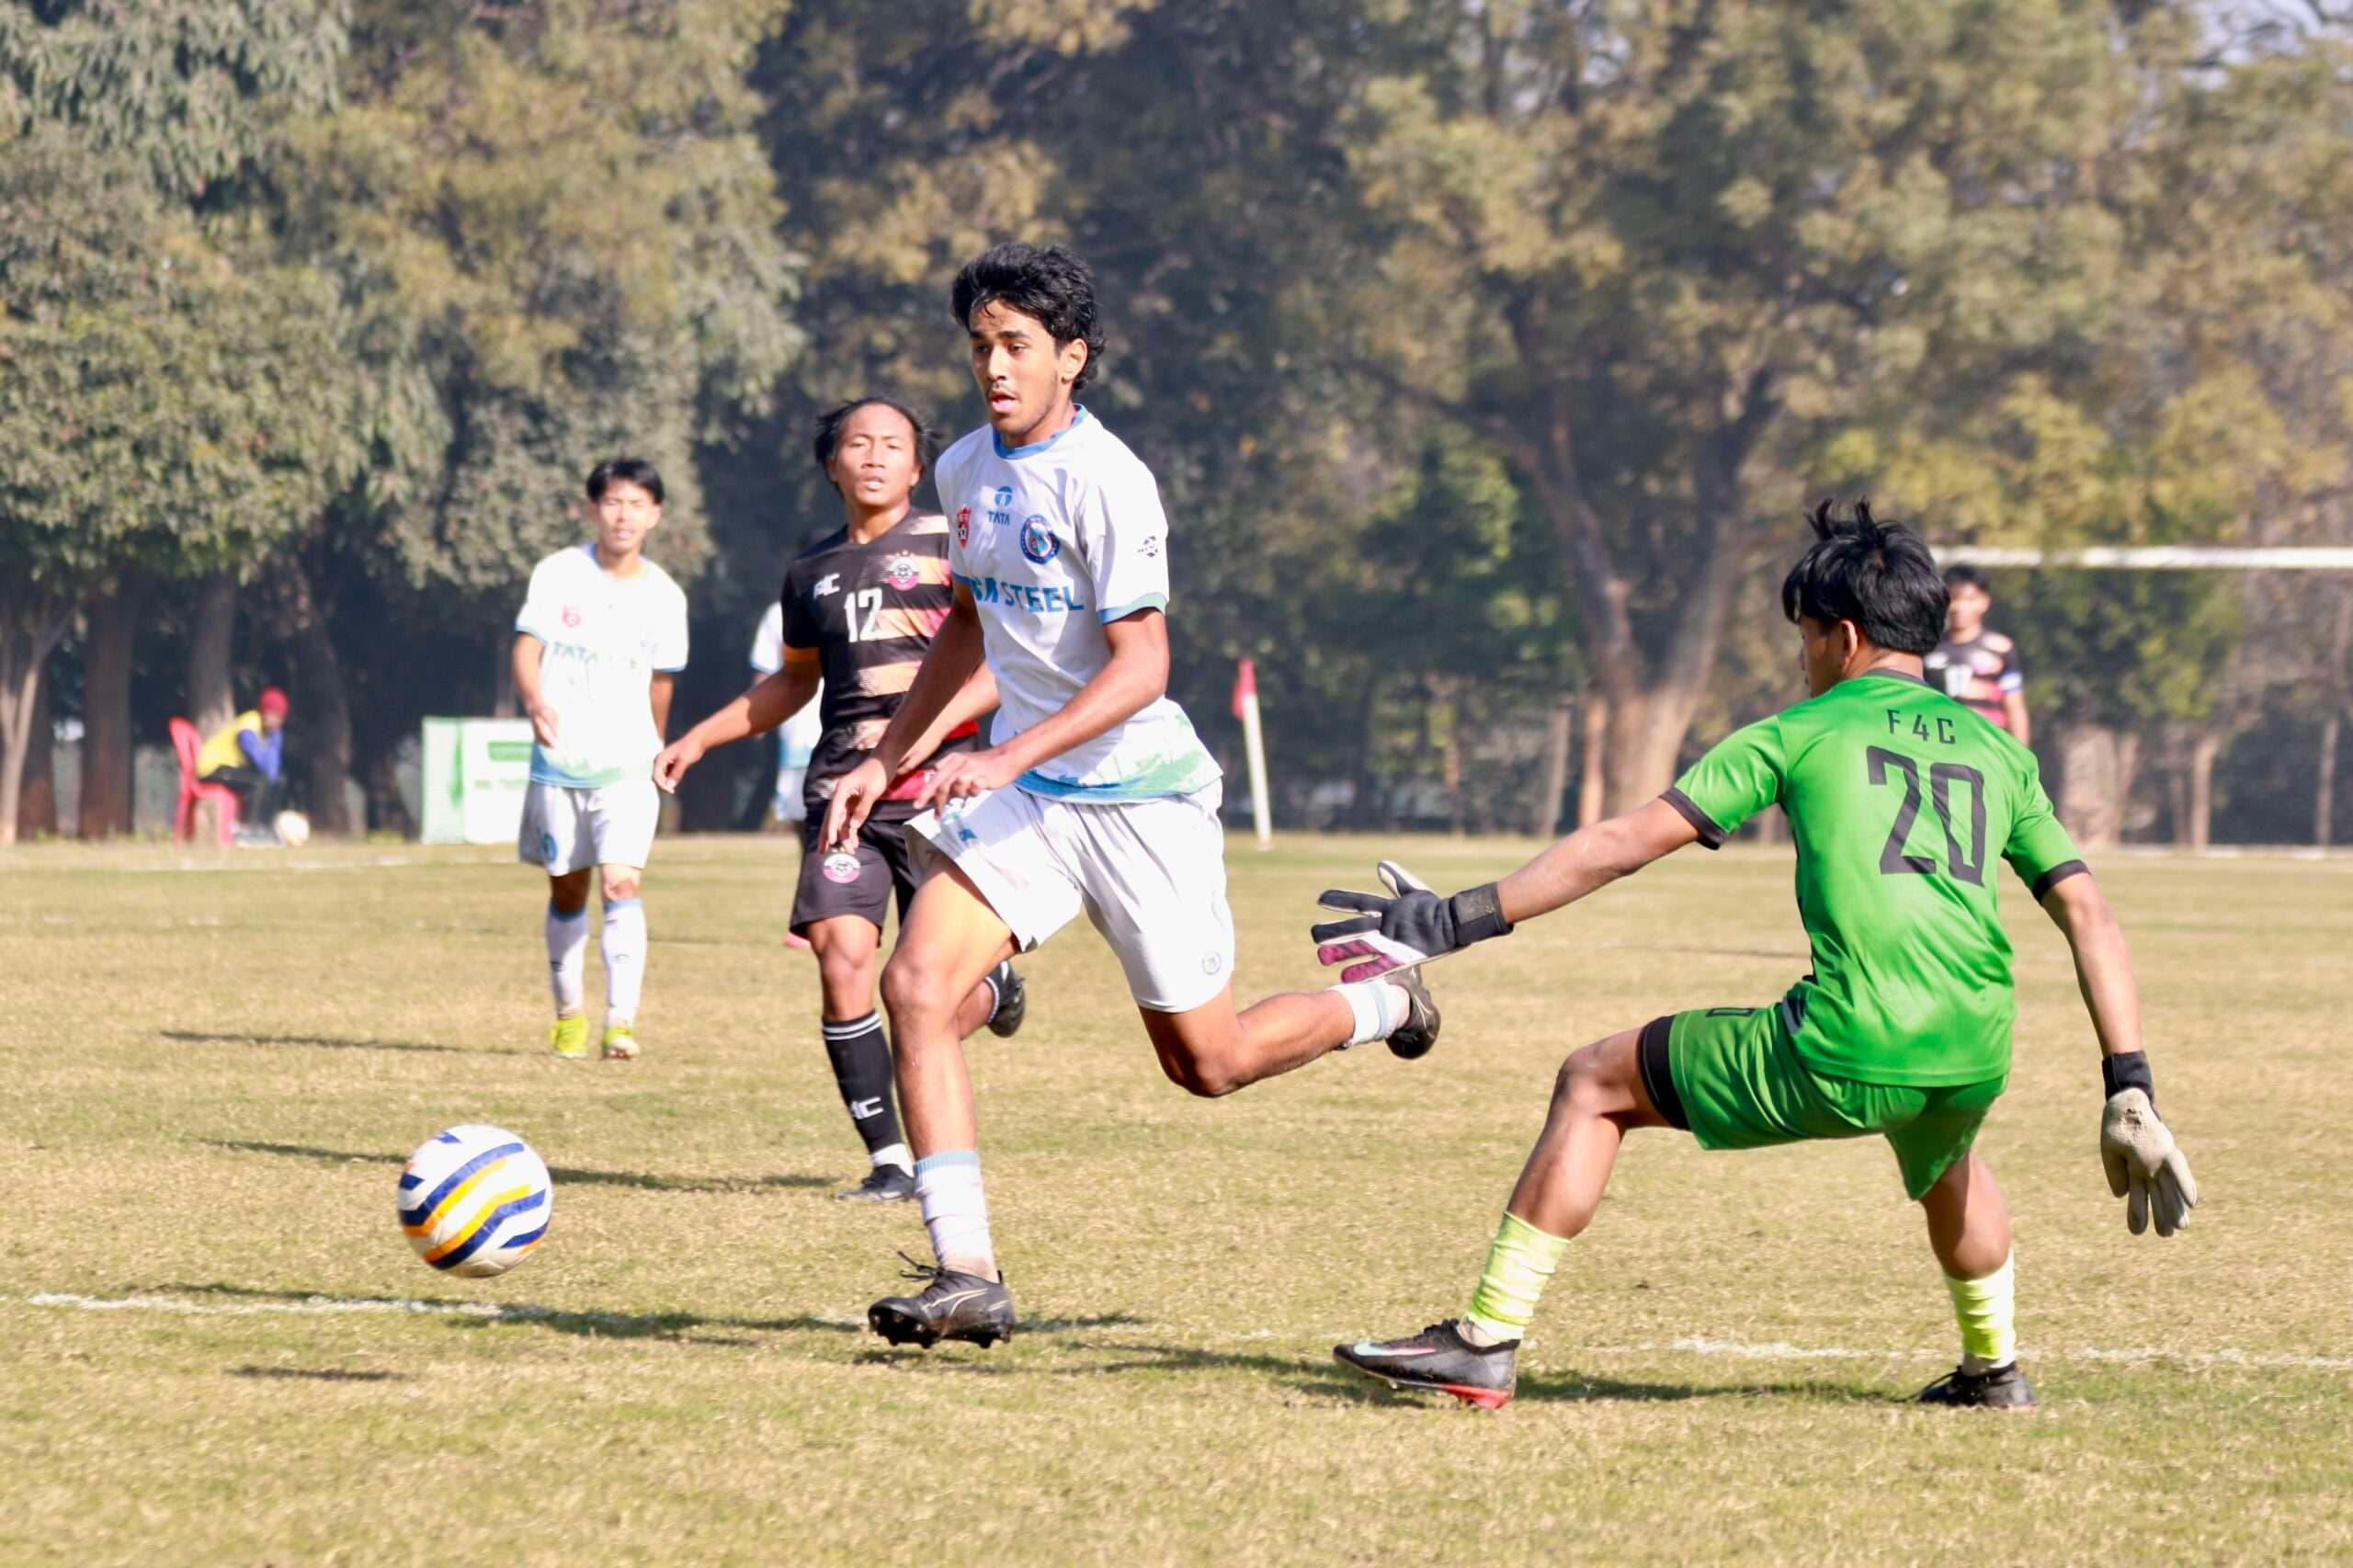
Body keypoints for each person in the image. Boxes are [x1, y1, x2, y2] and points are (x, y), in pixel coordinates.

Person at [1324, 502, 2196, 1412]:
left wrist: (1457, 916)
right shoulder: (1999, 751)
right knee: (1948, 1164)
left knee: (1592, 1081)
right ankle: (1994, 1370)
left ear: (1844, 636)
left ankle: (1483, 1338)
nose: (1802, 657)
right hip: (1974, 1045)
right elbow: (2086, 910)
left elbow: (1625, 840)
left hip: (1850, 1041)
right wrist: (2126, 1081)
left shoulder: (1800, 730)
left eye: (1806, 636)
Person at [822, 242, 1440, 1349]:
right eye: (979, 346)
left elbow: (1140, 666)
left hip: (1139, 801)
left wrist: (1002, 757)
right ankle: (965, 1270)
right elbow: (968, 623)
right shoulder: (964, 469)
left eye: (1015, 345)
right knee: (914, 982)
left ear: (1072, 355)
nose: (993, 367)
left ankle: (1387, 1001)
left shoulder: (1109, 480)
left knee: (1208, 1063)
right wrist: (889, 751)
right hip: (1032, 796)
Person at [657, 397, 1029, 1201]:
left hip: (945, 789)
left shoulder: (951, 547)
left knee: (925, 997)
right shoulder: (809, 573)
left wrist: (928, 738)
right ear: (832, 463)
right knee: (842, 956)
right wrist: (701, 737)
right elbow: (793, 681)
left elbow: (1002, 662)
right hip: (843, 795)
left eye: (891, 444)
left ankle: (994, 989)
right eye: (857, 443)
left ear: (917, 465)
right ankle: (890, 1159)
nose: (873, 455)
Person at [514, 457, 689, 1062]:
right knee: (569, 891)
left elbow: (661, 684)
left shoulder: (666, 596)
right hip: (560, 763)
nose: (624, 515)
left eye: (637, 504)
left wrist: (657, 749)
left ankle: (621, 1022)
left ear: (655, 515)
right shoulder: (559, 574)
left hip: (627, 767)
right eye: (613, 502)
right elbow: (526, 648)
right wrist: (535, 700)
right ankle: (569, 1014)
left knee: (621, 882)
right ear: (594, 509)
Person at [1925, 564, 2030, 743]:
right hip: (1940, 748)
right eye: (1954, 598)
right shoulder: (1928, 648)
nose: (1960, 607)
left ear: (1984, 602)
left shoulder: (2000, 649)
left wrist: (2022, 759)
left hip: (1987, 749)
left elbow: (2014, 708)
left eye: (1969, 599)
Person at [748, 600, 825, 828]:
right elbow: (765, 670)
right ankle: (809, 862)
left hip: (844, 718)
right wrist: (757, 718)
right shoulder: (779, 613)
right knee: (800, 810)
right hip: (797, 726)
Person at [197, 687, 292, 836]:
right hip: (212, 768)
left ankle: (264, 829)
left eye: (279, 716)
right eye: (271, 714)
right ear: (263, 711)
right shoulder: (249, 726)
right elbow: (260, 764)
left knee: (279, 779)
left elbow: (272, 772)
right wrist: (273, 740)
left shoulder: (270, 732)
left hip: (229, 768)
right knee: (258, 782)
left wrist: (275, 738)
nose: (275, 719)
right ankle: (247, 831)